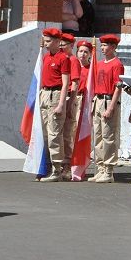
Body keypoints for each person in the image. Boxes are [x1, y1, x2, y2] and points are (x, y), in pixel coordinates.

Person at [89, 33, 124, 183]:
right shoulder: (100, 63)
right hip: (98, 99)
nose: (102, 48)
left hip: (108, 100)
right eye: (102, 45)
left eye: (105, 45)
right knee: (98, 136)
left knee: (108, 137)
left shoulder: (117, 64)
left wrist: (111, 107)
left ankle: (109, 170)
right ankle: (101, 167)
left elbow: (118, 87)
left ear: (113, 47)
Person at [37, 28, 70, 182]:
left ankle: (57, 169)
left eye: (49, 41)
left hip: (55, 95)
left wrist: (61, 103)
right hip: (44, 94)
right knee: (44, 133)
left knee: (54, 134)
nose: (46, 44)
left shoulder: (63, 58)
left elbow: (65, 83)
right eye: (45, 40)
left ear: (57, 42)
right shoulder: (45, 57)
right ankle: (47, 166)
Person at [60, 32, 80, 181]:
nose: (61, 46)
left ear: (71, 46)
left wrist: (71, 101)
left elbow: (74, 83)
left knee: (67, 133)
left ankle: (67, 165)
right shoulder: (61, 58)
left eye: (64, 44)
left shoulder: (73, 60)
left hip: (68, 98)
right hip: (59, 97)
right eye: (60, 44)